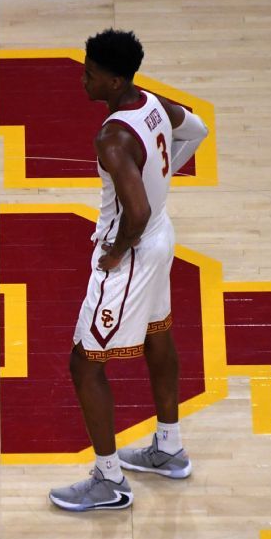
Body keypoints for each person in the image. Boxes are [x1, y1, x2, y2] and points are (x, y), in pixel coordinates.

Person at [49, 28, 210, 512]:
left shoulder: (113, 137)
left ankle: (109, 481)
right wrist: (162, 177)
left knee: (84, 364)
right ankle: (169, 448)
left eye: (90, 74)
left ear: (115, 80)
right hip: (162, 237)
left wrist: (115, 252)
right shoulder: (153, 103)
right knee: (159, 335)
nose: (83, 80)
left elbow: (135, 214)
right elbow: (197, 129)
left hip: (135, 250)